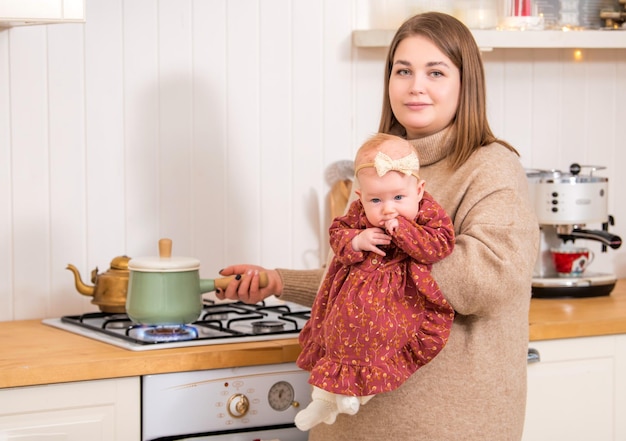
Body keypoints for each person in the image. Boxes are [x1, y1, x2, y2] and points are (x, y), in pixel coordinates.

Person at [217, 11, 539, 441]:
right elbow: (358, 280)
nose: (415, 86)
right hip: (351, 425)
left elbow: (488, 279)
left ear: (466, 84)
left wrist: (392, 239)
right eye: (402, 70)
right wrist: (278, 281)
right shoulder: (380, 167)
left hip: (444, 427)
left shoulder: (491, 166)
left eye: (436, 71)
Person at [294, 133, 455, 431]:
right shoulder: (357, 213)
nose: (387, 209)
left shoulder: (429, 212)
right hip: (349, 295)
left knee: (383, 338)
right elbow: (337, 233)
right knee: (336, 333)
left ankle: (358, 394)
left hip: (396, 298)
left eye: (398, 198)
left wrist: (404, 231)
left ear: (419, 190)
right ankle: (324, 399)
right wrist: (357, 240)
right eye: (376, 200)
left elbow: (441, 244)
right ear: (360, 197)